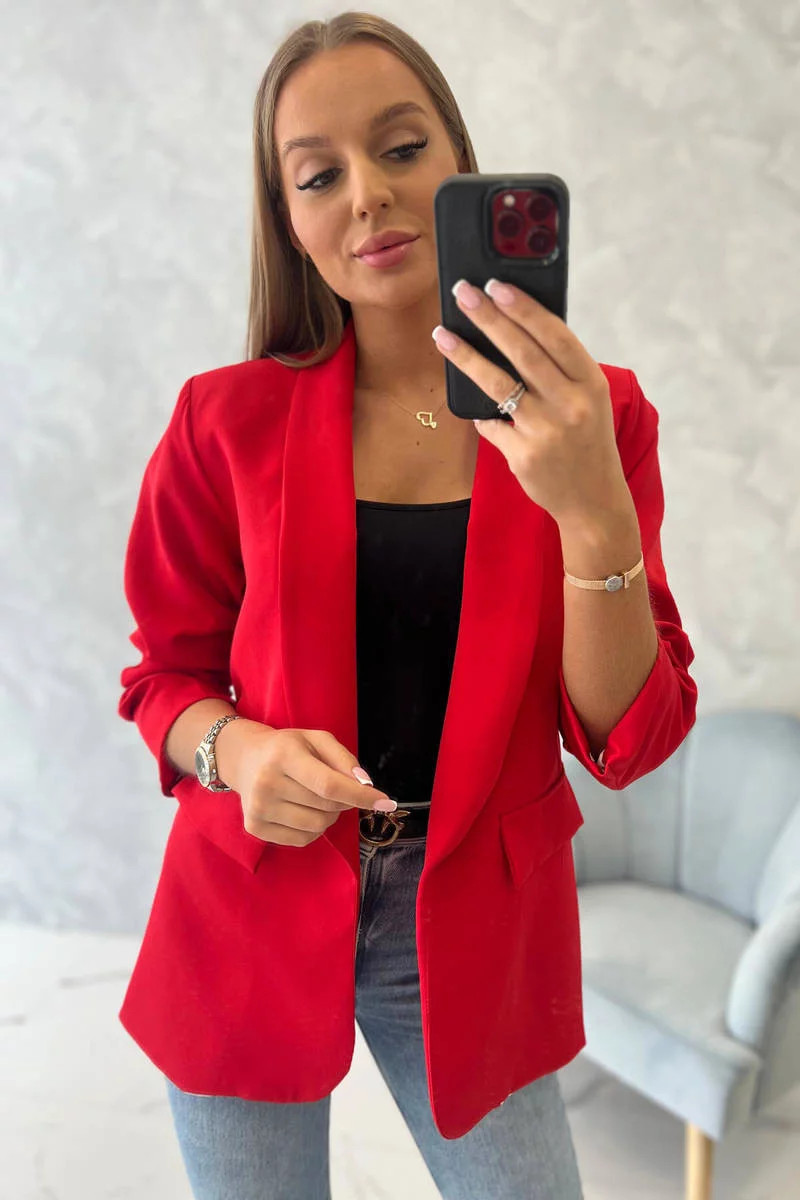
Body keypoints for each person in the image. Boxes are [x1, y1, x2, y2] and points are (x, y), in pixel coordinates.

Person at [117, 12, 698, 1199]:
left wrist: (591, 513)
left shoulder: (594, 416)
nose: (367, 195)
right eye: (318, 175)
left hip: (472, 923)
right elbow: (162, 680)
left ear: (461, 168)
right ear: (287, 220)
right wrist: (237, 750)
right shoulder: (222, 422)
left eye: (399, 148)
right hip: (249, 902)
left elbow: (630, 737)